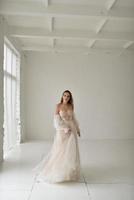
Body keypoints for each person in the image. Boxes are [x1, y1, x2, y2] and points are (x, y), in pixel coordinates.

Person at [33, 90, 81, 183]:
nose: (66, 97)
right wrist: (64, 128)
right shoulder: (58, 106)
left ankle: (68, 172)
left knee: (70, 151)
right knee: (60, 151)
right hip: (62, 130)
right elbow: (56, 121)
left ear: (70, 98)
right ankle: (58, 170)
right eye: (65, 95)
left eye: (68, 96)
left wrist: (77, 129)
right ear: (62, 96)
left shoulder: (71, 106)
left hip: (72, 130)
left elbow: (74, 118)